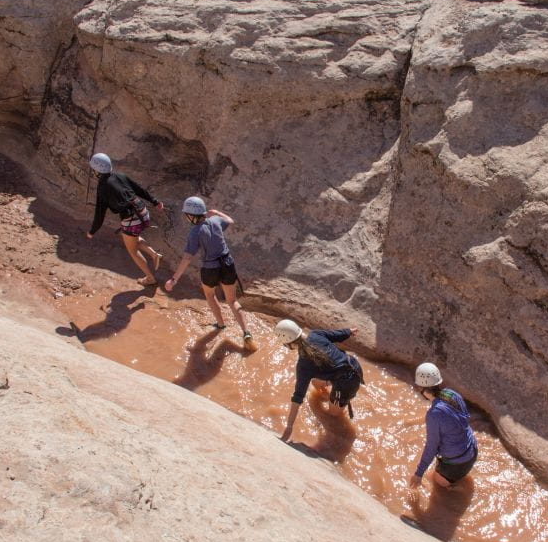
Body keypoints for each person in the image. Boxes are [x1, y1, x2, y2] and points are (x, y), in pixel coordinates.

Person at [163, 196, 256, 350]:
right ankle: (246, 333)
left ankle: (220, 324)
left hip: (210, 269)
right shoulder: (216, 221)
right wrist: (217, 212)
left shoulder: (195, 232)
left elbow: (187, 258)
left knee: (210, 295)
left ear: (191, 215)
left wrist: (174, 279)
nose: (186, 217)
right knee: (232, 301)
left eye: (187, 214)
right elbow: (230, 221)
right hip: (227, 264)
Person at [274, 319, 363, 442]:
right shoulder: (315, 334)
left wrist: (289, 426)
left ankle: (336, 400)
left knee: (333, 415)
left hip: (347, 382)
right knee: (315, 382)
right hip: (353, 364)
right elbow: (338, 335)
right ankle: (331, 397)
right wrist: (349, 331)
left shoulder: (303, 366)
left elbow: (297, 398)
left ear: (289, 345)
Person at [85, 152, 163, 286]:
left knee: (132, 250)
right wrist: (155, 202)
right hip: (143, 211)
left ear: (97, 171)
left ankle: (150, 278)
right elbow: (139, 189)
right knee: (133, 239)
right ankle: (154, 254)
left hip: (132, 219)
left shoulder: (102, 187)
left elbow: (100, 214)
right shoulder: (120, 176)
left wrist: (92, 231)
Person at [409, 362, 478, 490]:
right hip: (472, 450)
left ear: (420, 387)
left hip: (457, 464)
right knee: (439, 473)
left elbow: (431, 447)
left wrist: (418, 474)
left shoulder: (434, 414)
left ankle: (455, 488)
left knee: (437, 483)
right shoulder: (452, 394)